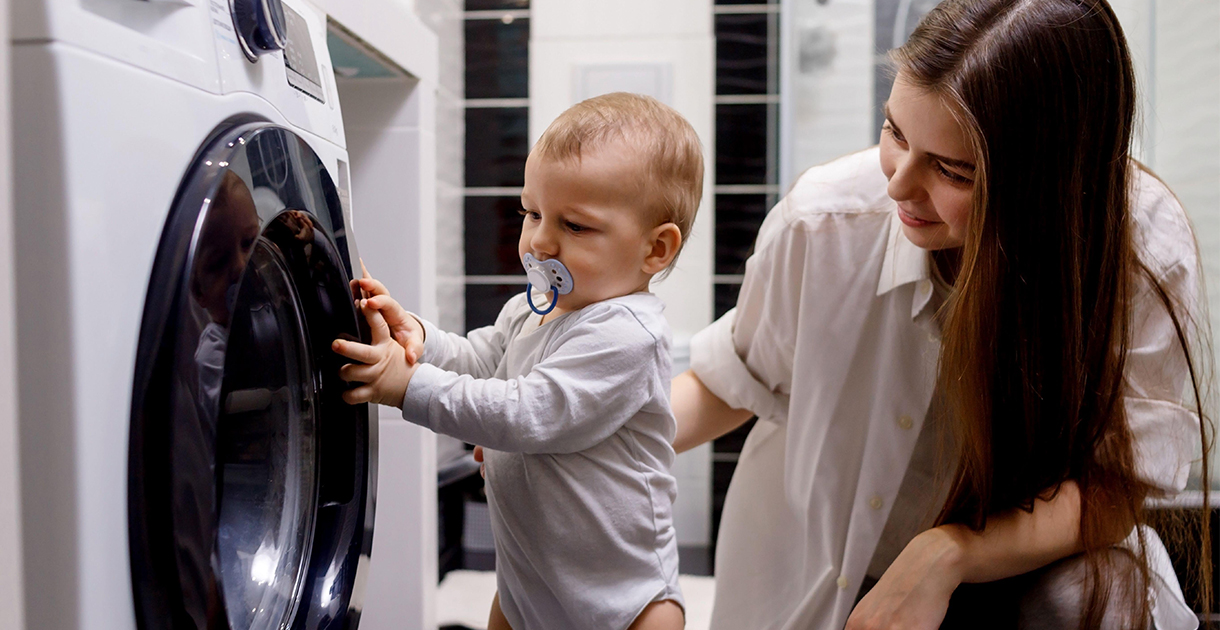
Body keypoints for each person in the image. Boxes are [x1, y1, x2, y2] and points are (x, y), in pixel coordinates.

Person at [671, 1, 1211, 629]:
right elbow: (730, 382)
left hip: (1028, 575)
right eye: (894, 132)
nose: (898, 185)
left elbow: (1117, 484)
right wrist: (565, 442)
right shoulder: (824, 223)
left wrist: (949, 552)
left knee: (1100, 599)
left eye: (952, 170)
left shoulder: (1137, 251)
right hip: (831, 578)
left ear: (1048, 184)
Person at [333, 92, 703, 630]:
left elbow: (527, 413)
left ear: (655, 249)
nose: (541, 241)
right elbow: (481, 361)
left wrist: (405, 383)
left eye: (575, 226)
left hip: (627, 601)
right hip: (529, 581)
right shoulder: (535, 307)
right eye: (532, 213)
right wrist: (416, 337)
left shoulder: (627, 334)